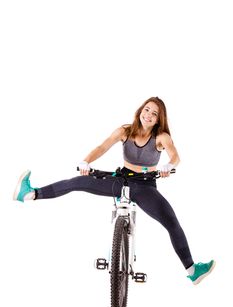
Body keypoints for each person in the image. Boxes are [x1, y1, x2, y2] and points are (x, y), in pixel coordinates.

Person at [13, 96, 215, 284]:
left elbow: (175, 157)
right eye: (147, 110)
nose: (149, 115)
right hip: (121, 180)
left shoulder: (161, 137)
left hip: (145, 186)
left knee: (171, 222)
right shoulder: (125, 131)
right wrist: (86, 161)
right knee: (78, 181)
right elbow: (102, 147)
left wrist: (168, 167)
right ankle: (31, 194)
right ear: (140, 111)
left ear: (158, 120)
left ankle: (192, 271)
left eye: (154, 114)